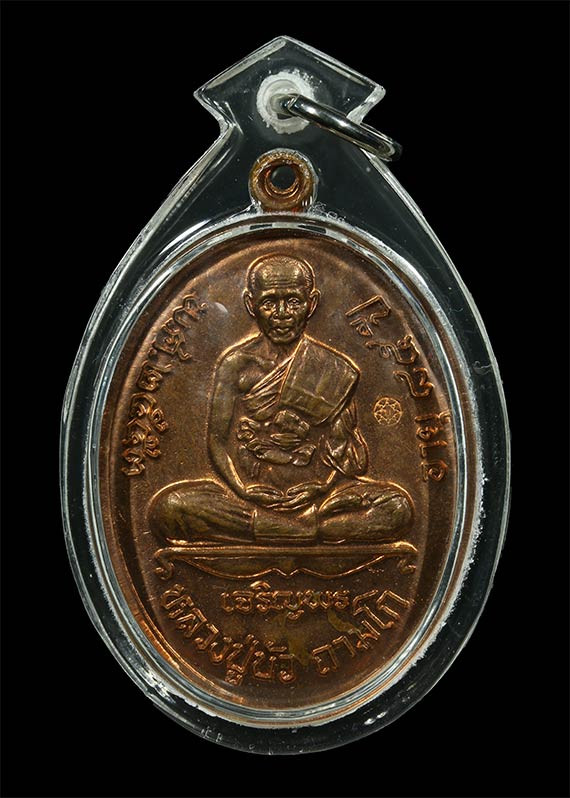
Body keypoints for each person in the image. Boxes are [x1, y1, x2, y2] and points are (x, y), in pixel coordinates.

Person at [150, 253, 412, 544]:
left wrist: (321, 487)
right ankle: (305, 530)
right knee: (171, 509)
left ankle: (273, 529)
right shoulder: (236, 365)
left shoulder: (333, 368)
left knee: (396, 507)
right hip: (250, 498)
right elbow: (217, 441)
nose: (282, 313)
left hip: (319, 497)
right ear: (250, 304)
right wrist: (242, 488)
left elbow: (343, 451)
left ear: (312, 303)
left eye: (294, 301)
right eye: (269, 302)